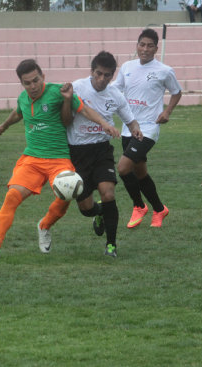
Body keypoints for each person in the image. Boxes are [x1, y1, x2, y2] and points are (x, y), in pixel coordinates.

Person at [0, 59, 118, 259]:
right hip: (32, 159)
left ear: (43, 76)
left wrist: (104, 123)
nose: (33, 86)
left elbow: (84, 109)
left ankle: (44, 225)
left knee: (67, 196)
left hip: (58, 159)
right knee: (12, 196)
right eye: (27, 83)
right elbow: (18, 113)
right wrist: (4, 125)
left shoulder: (58, 92)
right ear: (22, 84)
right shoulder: (23, 98)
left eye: (36, 80)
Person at [68, 51, 143, 258]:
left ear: (112, 75)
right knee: (85, 208)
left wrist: (135, 129)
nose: (102, 79)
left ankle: (111, 245)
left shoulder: (115, 95)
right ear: (91, 71)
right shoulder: (77, 88)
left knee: (108, 194)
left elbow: (131, 120)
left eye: (107, 75)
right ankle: (98, 213)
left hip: (102, 150)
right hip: (77, 153)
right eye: (98, 74)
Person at [112, 28, 183, 229]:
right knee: (140, 173)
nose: (145, 49)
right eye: (142, 44)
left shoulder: (164, 71)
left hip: (149, 128)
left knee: (123, 168)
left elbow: (177, 92)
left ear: (156, 48)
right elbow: (116, 90)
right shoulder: (127, 66)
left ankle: (139, 206)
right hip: (128, 127)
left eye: (150, 45)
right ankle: (159, 209)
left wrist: (167, 112)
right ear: (137, 46)